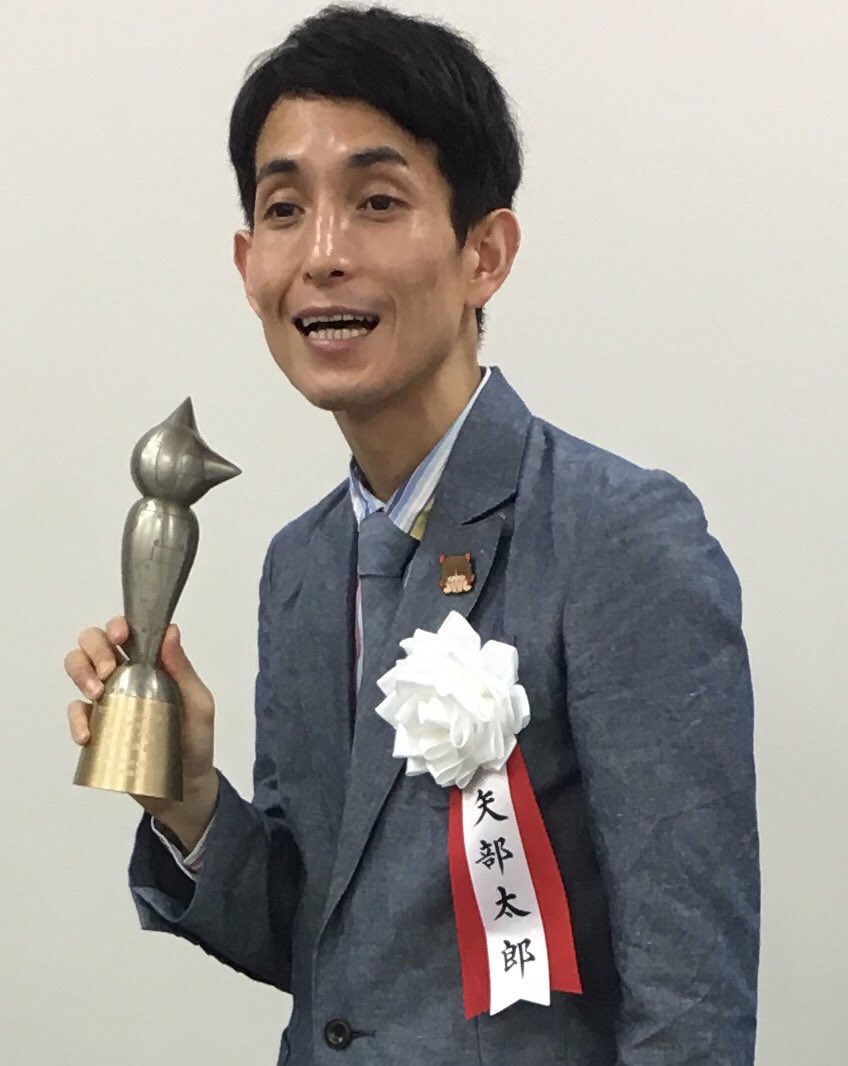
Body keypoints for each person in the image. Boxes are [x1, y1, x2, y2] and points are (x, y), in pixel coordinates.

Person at [64, 6, 760, 1064]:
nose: (324, 255)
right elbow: (327, 952)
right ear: (248, 263)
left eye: (377, 201)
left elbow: (691, 1010)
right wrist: (189, 797)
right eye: (285, 209)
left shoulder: (617, 537)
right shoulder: (300, 566)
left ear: (485, 252)